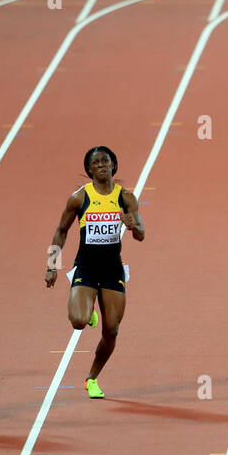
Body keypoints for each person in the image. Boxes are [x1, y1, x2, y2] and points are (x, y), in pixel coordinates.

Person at [45, 146, 144, 400]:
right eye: (96, 162)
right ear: (89, 169)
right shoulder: (79, 198)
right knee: (78, 321)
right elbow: (61, 230)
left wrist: (132, 226)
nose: (101, 165)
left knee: (111, 331)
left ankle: (92, 379)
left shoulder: (126, 198)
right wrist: (52, 265)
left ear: (114, 165)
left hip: (112, 270)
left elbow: (141, 234)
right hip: (86, 267)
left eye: (106, 161)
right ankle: (88, 314)